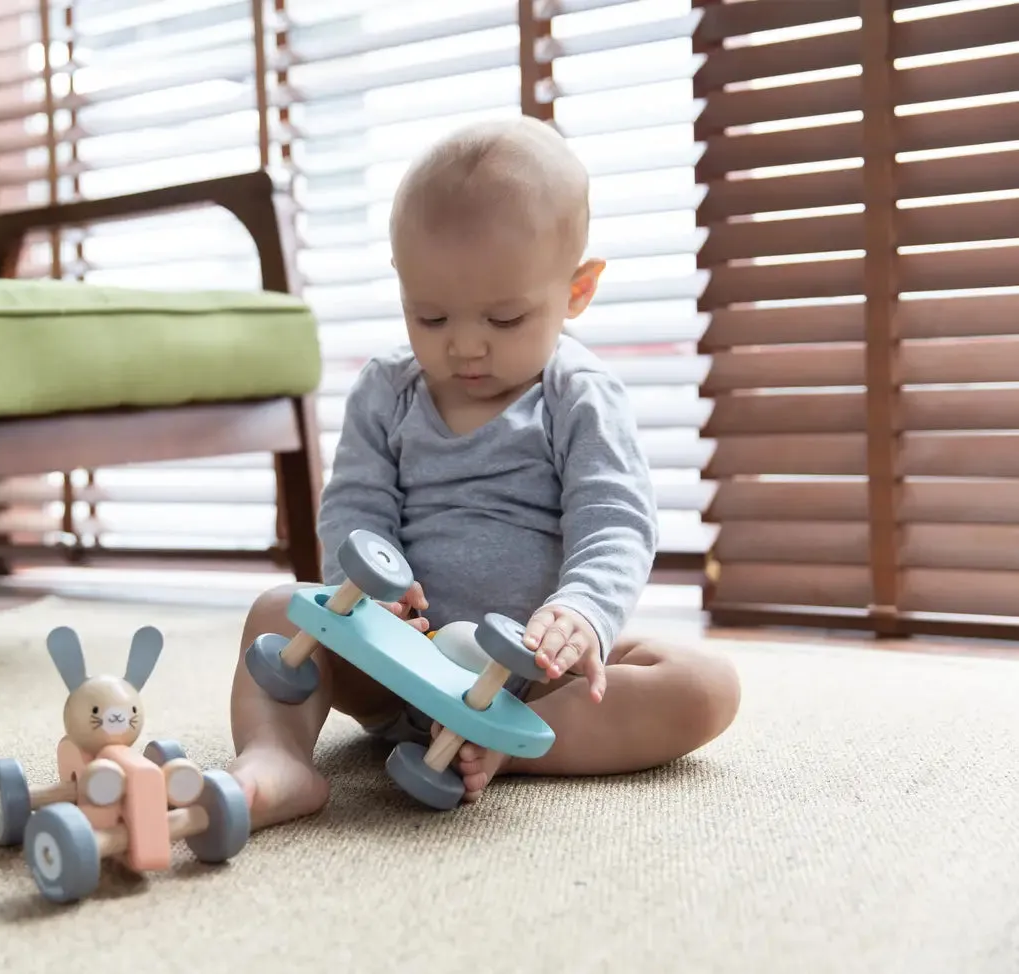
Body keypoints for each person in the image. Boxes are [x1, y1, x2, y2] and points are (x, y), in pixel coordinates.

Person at [227, 115, 741, 829]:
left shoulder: (579, 397)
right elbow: (353, 508)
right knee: (277, 614)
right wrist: (372, 586)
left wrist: (580, 614)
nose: (464, 346)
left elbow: (614, 523)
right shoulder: (386, 391)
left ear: (577, 292)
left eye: (503, 319)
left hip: (535, 674)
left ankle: (509, 746)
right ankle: (275, 759)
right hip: (401, 659)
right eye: (429, 316)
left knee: (704, 684)